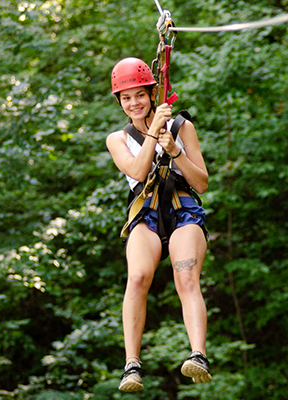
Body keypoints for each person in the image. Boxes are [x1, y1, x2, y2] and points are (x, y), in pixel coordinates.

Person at [104, 57, 213, 392]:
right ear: (120, 102)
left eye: (139, 95)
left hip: (184, 209)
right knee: (137, 277)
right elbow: (137, 171)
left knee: (185, 276)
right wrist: (154, 135)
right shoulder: (117, 139)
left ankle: (198, 355)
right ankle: (131, 365)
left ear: (152, 94)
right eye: (126, 98)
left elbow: (203, 182)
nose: (134, 103)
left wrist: (175, 150)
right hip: (146, 212)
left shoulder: (181, 127)